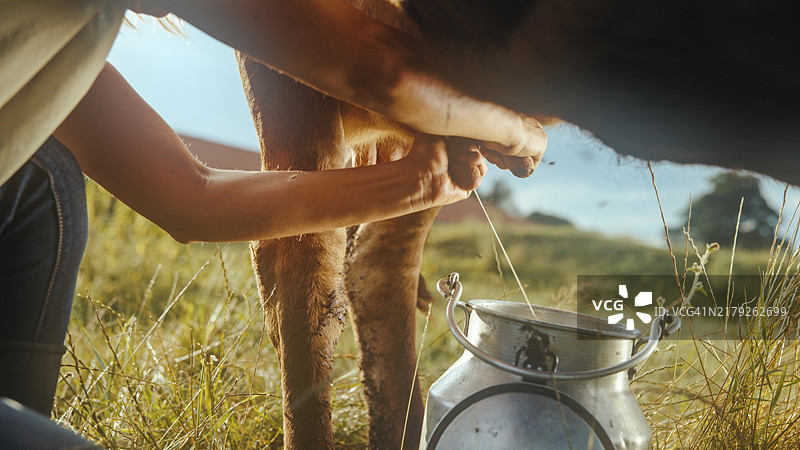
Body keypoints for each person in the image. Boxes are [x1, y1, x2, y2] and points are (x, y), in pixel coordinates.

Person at [0, 0, 548, 443]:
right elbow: (381, 69)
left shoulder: (65, 39)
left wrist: (416, 185)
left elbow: (191, 197)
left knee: (47, 179)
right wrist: (518, 133)